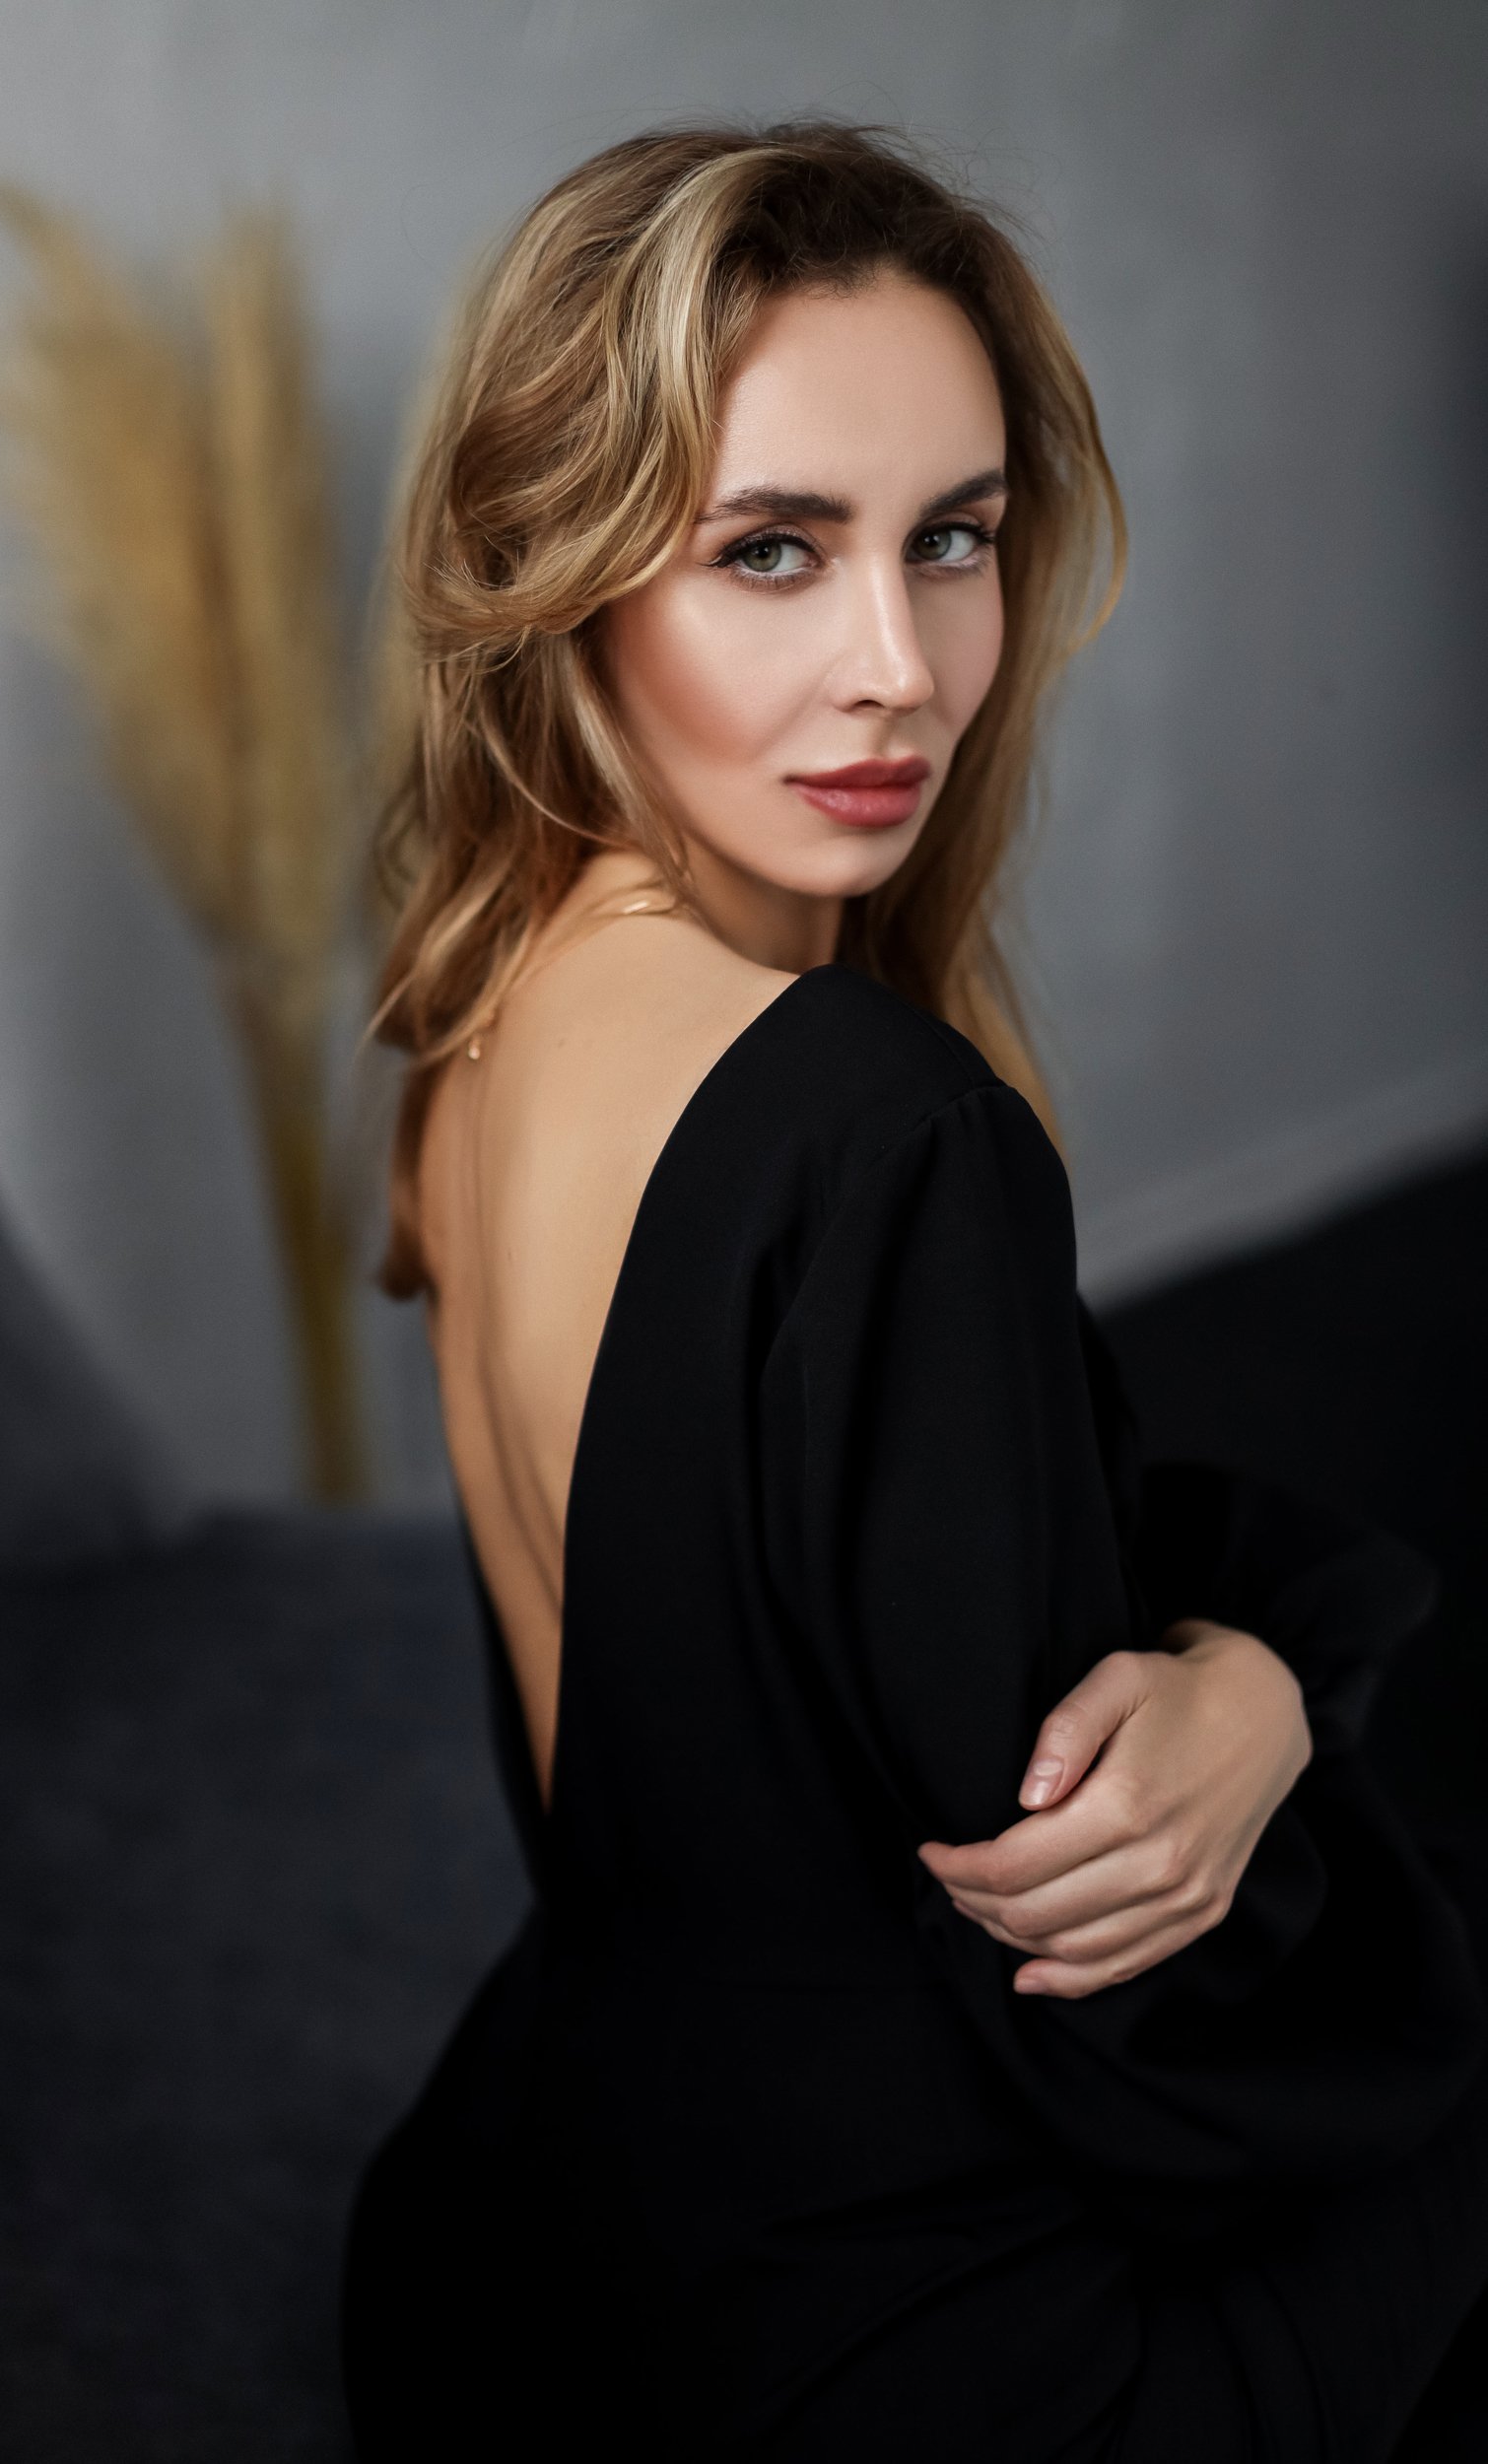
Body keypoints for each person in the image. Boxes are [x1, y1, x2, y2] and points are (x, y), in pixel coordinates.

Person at [341, 123, 1488, 2460]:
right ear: (563, 572)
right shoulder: (873, 1133)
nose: (900, 669)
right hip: (903, 2335)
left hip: (548, 2211)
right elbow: (1081, 1932)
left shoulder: (486, 999)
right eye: (768, 549)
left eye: (950, 537)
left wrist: (1245, 1643)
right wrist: (1282, 1687)